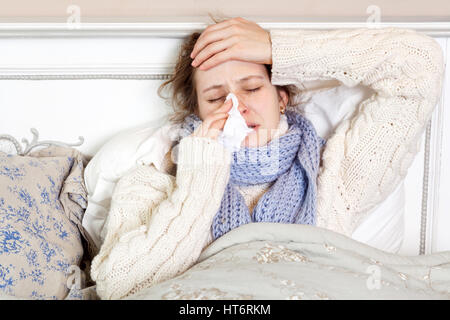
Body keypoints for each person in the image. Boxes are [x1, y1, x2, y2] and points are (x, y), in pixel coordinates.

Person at [90, 17, 444, 300]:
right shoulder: (155, 181)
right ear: (196, 111)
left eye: (253, 88)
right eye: (215, 99)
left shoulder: (331, 181)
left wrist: (277, 48)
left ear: (281, 99)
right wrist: (201, 174)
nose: (236, 108)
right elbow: (121, 287)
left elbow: (419, 65)